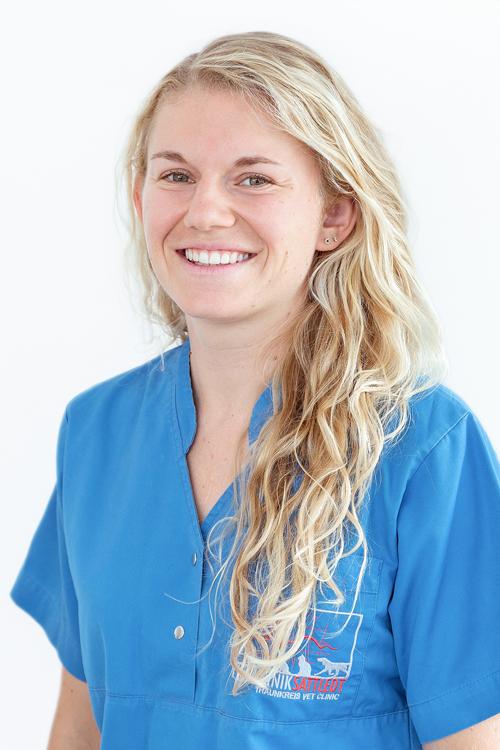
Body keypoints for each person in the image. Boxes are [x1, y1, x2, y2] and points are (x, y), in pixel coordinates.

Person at [10, 31, 500, 750]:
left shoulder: (423, 450)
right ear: (141, 197)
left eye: (254, 179)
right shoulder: (97, 434)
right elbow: (79, 731)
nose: (205, 211)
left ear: (334, 216)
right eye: (176, 175)